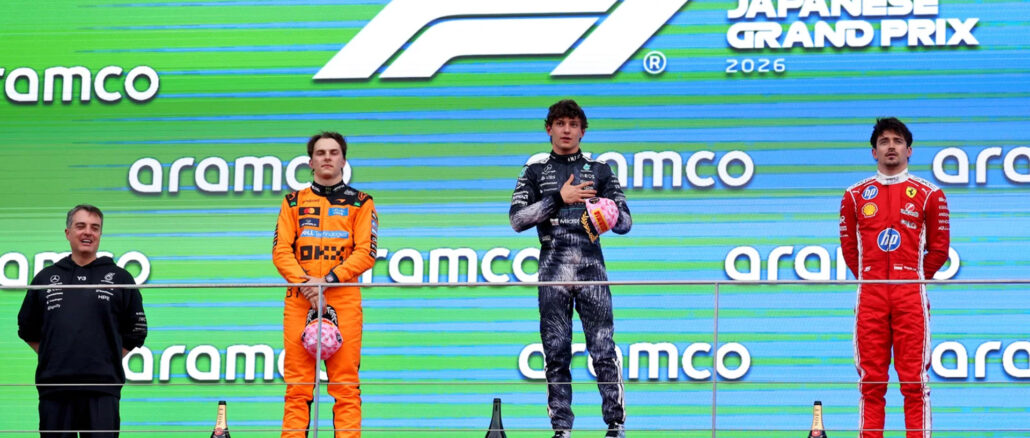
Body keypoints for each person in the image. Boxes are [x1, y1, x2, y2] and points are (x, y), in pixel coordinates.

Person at [509, 99, 632, 438]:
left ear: (583, 131)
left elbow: (626, 223)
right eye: (560, 123)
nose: (567, 130)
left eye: (573, 124)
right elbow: (517, 220)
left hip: (592, 268)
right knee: (556, 350)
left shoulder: (600, 170)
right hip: (553, 269)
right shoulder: (534, 170)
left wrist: (605, 211)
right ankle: (561, 429)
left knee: (603, 348)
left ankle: (616, 425)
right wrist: (559, 198)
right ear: (549, 129)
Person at [839, 118, 951, 438]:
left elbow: (939, 249)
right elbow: (850, 251)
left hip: (910, 296)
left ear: (909, 150)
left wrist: (913, 277)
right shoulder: (854, 195)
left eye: (898, 141)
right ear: (874, 152)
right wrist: (872, 278)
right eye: (884, 141)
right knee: (871, 383)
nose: (891, 146)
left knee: (915, 383)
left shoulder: (930, 194)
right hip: (870, 295)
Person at [273, 131, 378, 438]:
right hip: (300, 298)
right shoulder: (292, 202)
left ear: (344, 160)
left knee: (345, 387)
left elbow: (366, 252)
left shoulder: (361, 203)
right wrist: (308, 284)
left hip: (343, 299)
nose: (327, 157)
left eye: (334, 152)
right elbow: (281, 252)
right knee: (297, 388)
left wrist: (327, 281)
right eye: (320, 153)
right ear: (310, 162)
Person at [17, 204, 148, 438]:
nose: (88, 232)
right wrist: (56, 355)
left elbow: (136, 330)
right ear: (68, 233)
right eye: (81, 226)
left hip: (102, 390)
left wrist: (104, 357)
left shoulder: (121, 277)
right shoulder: (45, 278)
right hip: (54, 389)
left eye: (95, 228)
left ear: (100, 234)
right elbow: (27, 329)